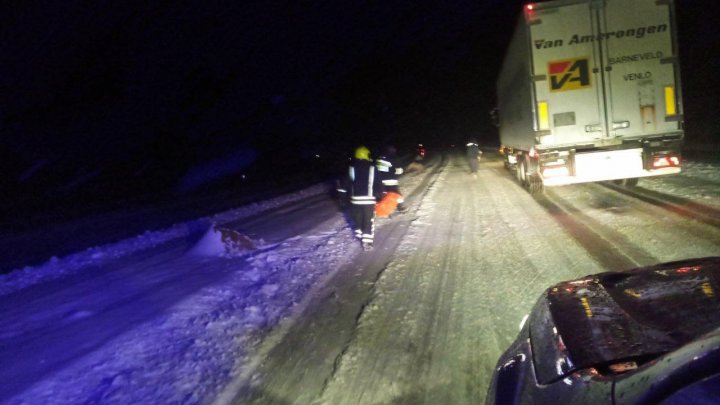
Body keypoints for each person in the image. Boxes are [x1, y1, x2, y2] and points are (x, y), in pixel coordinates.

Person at [348, 146, 379, 251]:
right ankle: (367, 242)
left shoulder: (351, 168)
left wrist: (345, 198)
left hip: (355, 200)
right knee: (368, 220)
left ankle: (360, 236)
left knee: (358, 218)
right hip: (368, 199)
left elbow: (347, 184)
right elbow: (377, 183)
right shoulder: (372, 168)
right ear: (366, 155)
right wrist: (379, 196)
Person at [375, 145, 407, 214]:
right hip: (391, 181)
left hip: (380, 182)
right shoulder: (393, 158)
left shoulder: (379, 159)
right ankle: (401, 208)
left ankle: (381, 209)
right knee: (397, 195)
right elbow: (399, 171)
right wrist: (396, 173)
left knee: (383, 195)